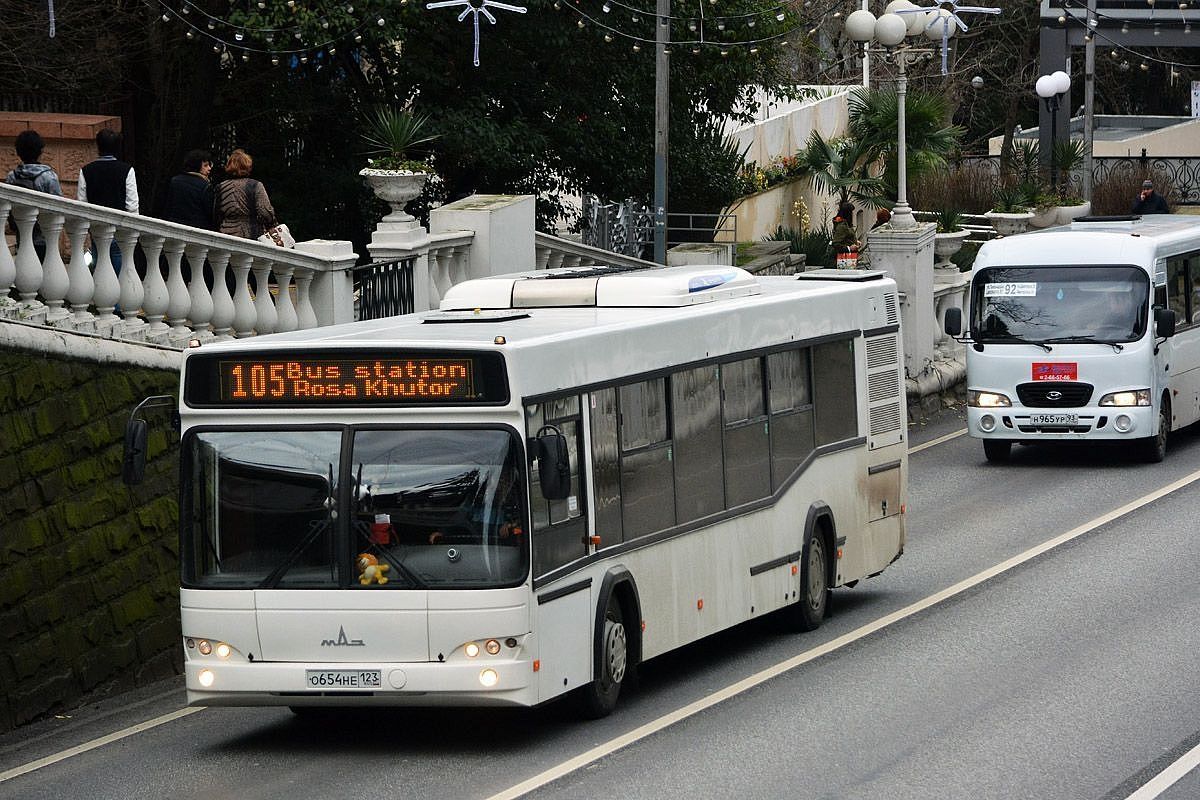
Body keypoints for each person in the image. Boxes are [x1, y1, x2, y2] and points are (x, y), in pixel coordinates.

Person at [78, 128, 139, 273]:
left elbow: (82, 204)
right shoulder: (127, 170)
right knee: (118, 264)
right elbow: (132, 205)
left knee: (99, 266)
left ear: (98, 146)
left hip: (96, 229)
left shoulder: (86, 170)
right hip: (119, 229)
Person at [4, 129, 63, 259]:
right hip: (44, 236)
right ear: (40, 151)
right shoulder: (49, 177)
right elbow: (59, 207)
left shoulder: (12, 177)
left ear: (18, 152)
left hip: (22, 233)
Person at [213, 149, 277, 239]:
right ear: (247, 166)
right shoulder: (255, 185)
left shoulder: (220, 187)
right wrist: (272, 225)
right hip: (251, 235)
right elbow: (265, 212)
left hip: (225, 236)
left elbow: (216, 215)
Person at [162, 149, 215, 230]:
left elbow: (167, 207)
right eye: (205, 165)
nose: (209, 168)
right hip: (196, 230)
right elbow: (210, 213)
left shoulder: (174, 181)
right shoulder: (205, 186)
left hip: (174, 227)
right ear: (196, 165)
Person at [831, 202, 859, 267]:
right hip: (845, 259)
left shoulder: (846, 224)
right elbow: (836, 244)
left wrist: (855, 241)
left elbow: (846, 237)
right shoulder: (842, 226)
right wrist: (849, 248)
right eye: (851, 212)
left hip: (850, 258)